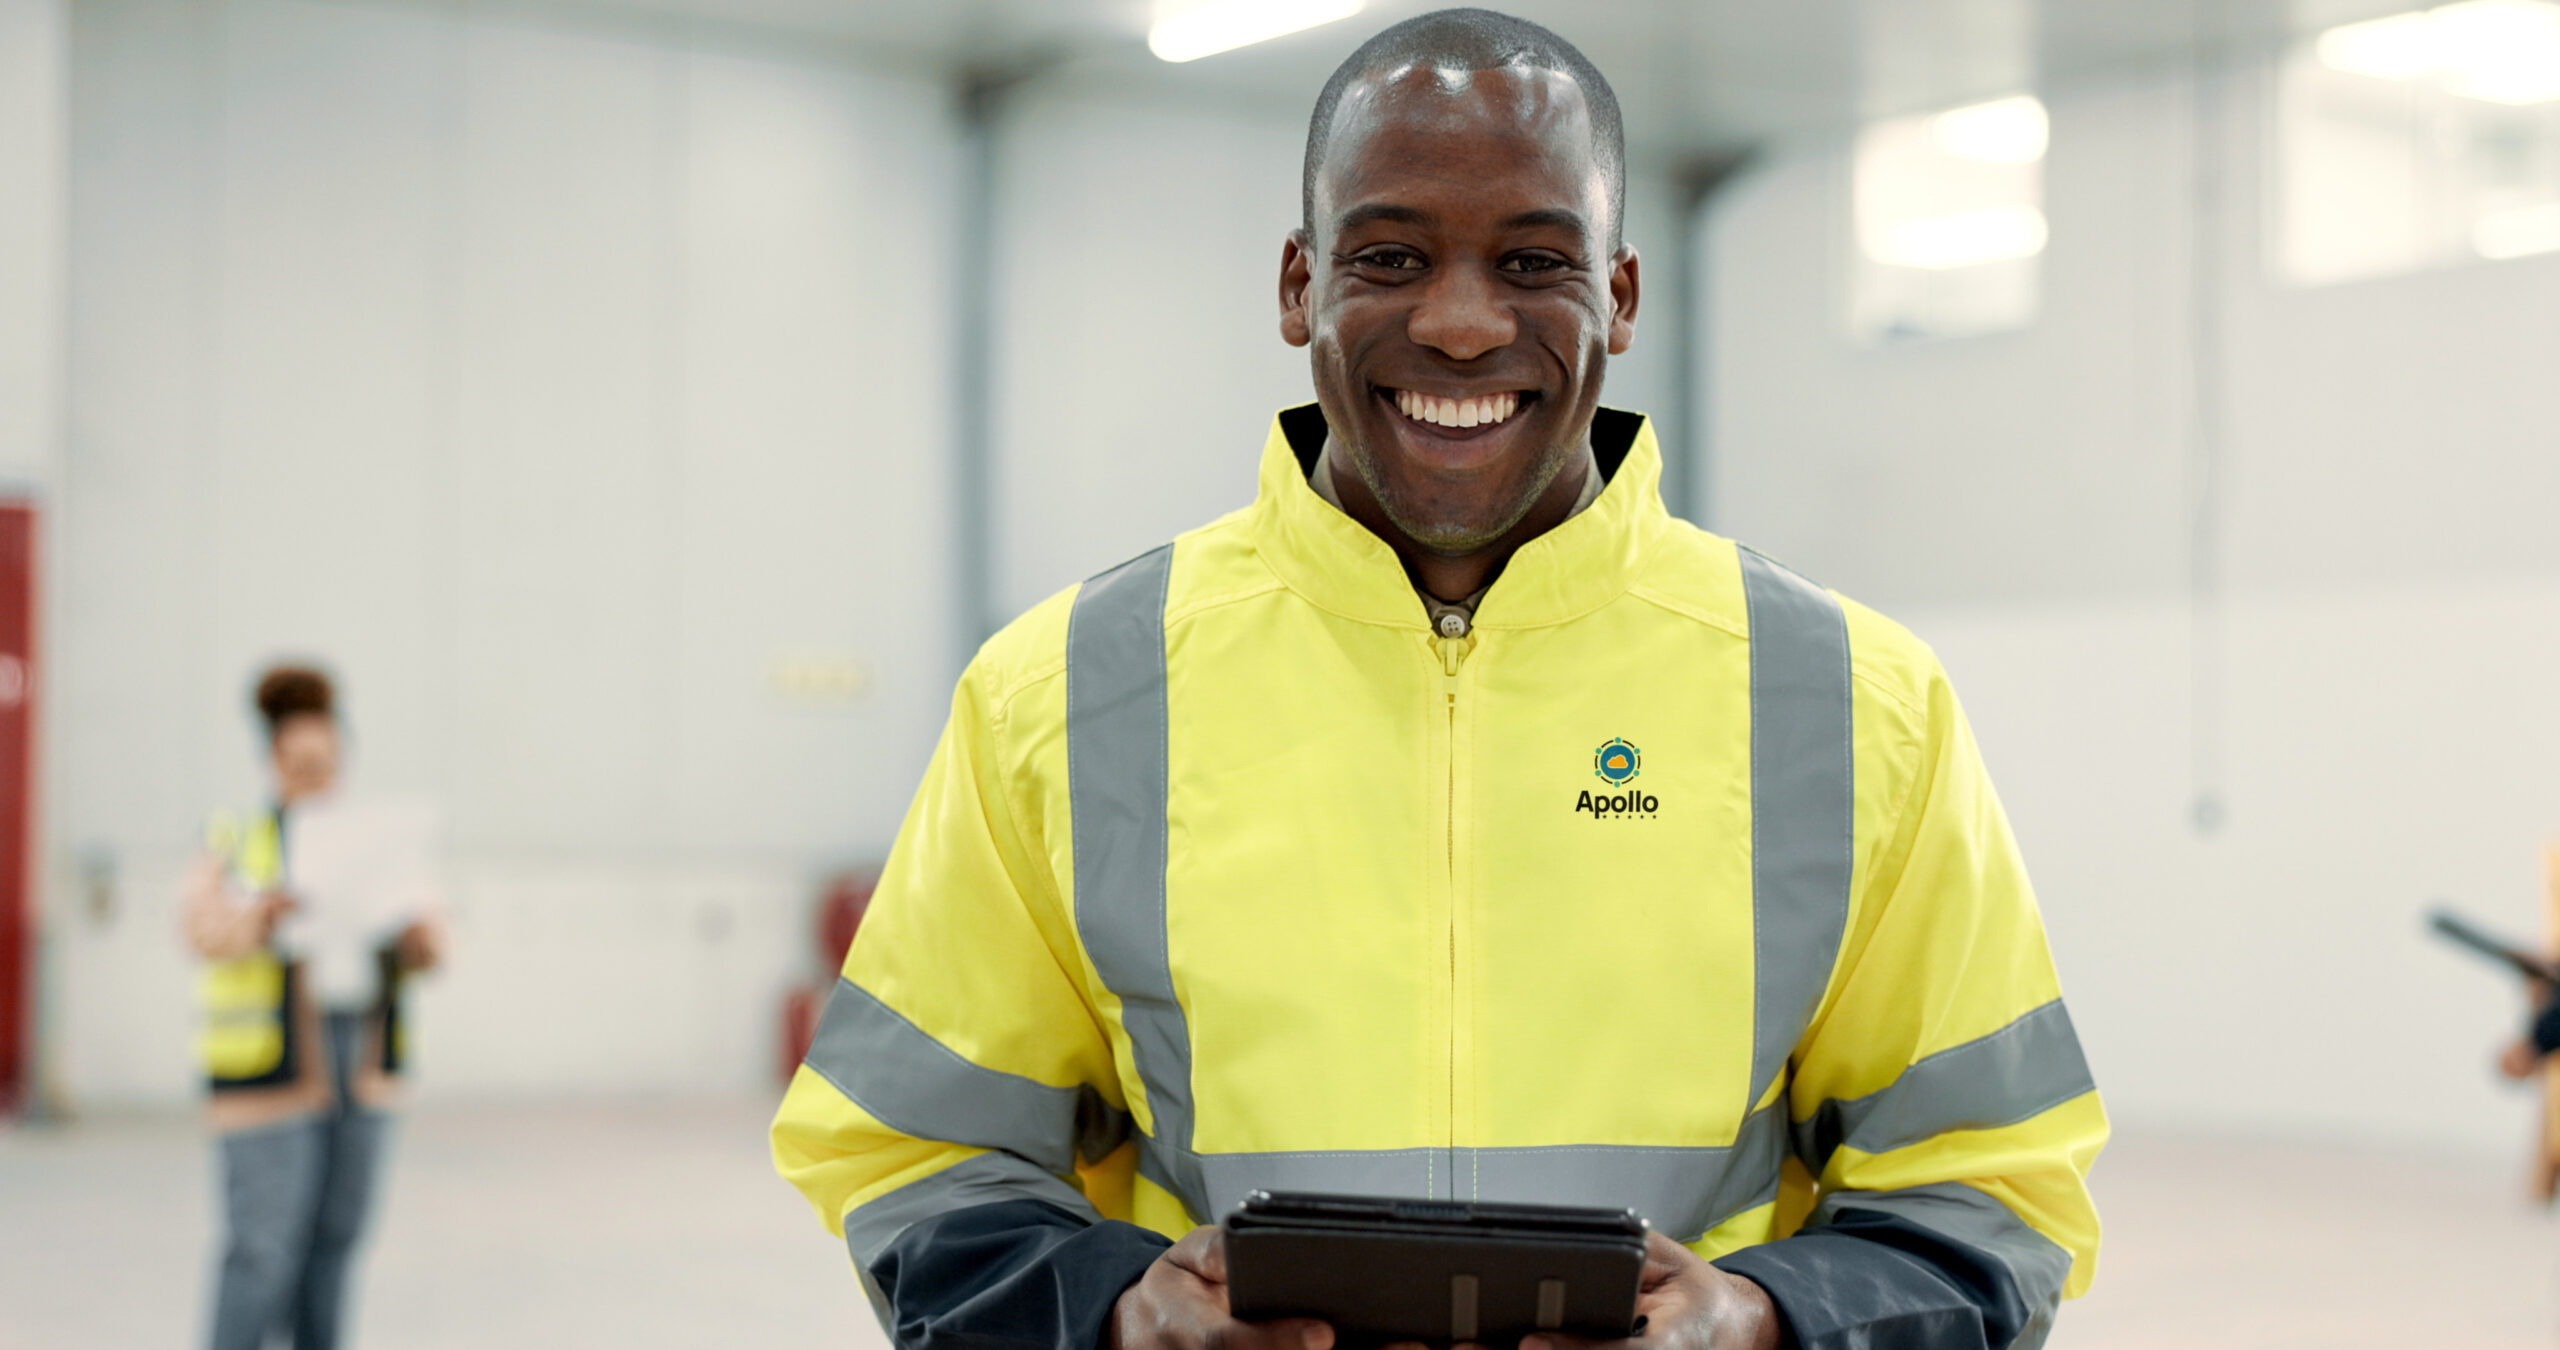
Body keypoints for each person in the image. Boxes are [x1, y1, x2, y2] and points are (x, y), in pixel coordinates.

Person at [771, 11, 2104, 1350]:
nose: (1463, 324)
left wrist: (1761, 1318)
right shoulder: (1058, 696)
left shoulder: (1855, 701)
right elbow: (911, 1149)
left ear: (1622, 298)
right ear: (1299, 285)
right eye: (1392, 256)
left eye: (1533, 259)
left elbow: (1993, 1185)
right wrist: (1121, 1313)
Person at [183, 665, 445, 1350]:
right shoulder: (238, 839)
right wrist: (263, 915)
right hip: (269, 1077)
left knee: (336, 1244)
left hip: (358, 1068)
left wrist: (417, 936)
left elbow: (435, 947)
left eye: (327, 764)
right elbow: (200, 928)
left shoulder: (382, 845)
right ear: (273, 760)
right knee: (262, 1250)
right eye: (300, 764)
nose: (316, 777)